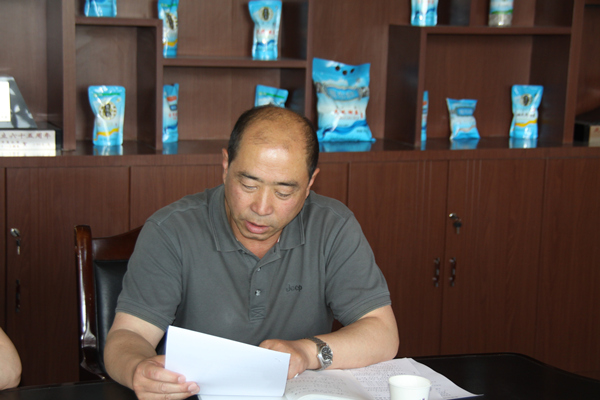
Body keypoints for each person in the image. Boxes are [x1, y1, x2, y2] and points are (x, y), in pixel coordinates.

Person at [104, 105, 399, 399]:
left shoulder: (332, 226)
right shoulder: (171, 230)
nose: (261, 208)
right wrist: (138, 369)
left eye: (283, 192)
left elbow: (382, 333)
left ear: (310, 183)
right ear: (225, 166)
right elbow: (129, 335)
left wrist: (305, 352)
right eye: (248, 184)